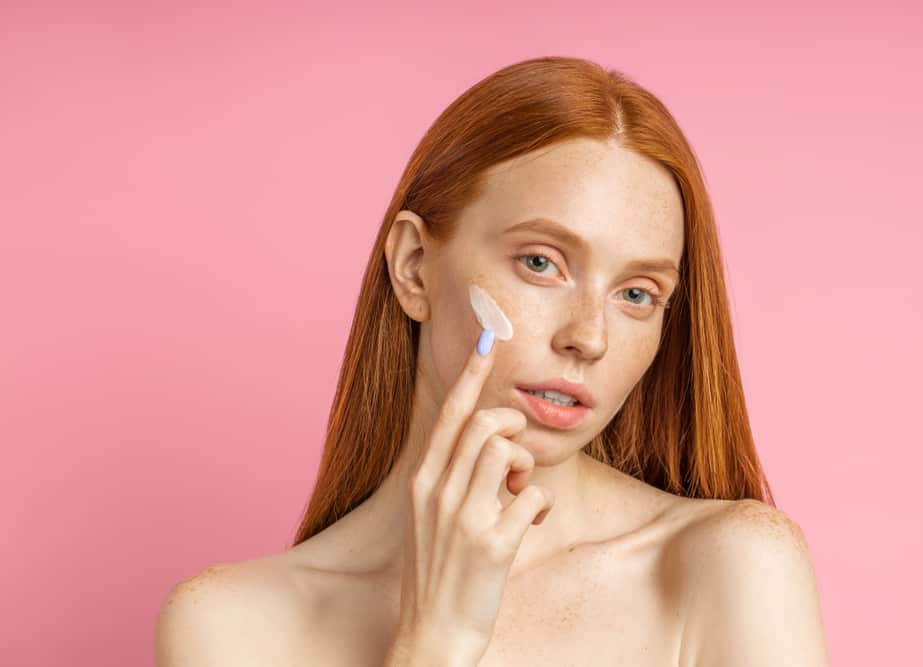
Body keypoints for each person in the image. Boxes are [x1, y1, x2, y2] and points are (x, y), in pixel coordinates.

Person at [155, 56, 830, 666]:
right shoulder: (229, 626)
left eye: (637, 294)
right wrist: (436, 643)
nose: (588, 337)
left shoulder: (734, 567)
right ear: (415, 267)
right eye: (541, 262)